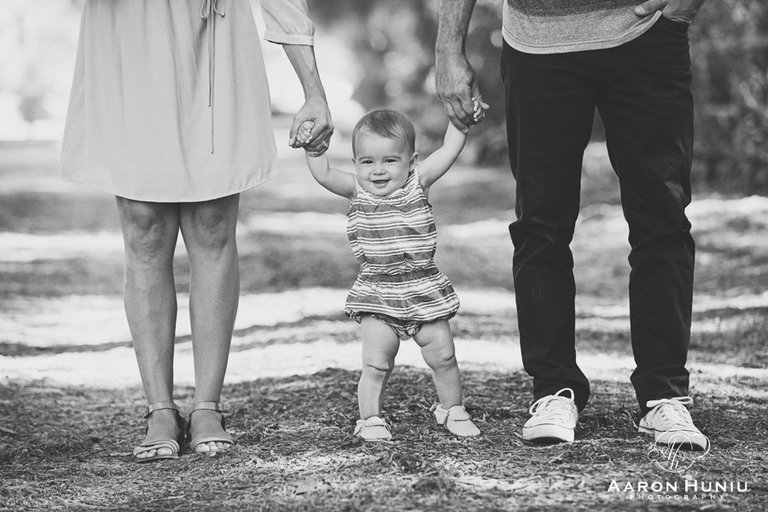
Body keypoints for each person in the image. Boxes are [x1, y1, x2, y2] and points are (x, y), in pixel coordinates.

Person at [61, 0, 333, 462]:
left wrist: (313, 88)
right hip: (129, 31)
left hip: (216, 36)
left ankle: (208, 405)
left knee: (211, 223)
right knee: (145, 225)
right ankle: (159, 409)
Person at [435, 0, 709, 449]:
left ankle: (664, 394)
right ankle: (554, 389)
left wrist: (683, 8)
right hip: (536, 45)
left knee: (662, 217)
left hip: (646, 35)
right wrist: (449, 49)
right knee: (540, 222)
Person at [296, 107, 486, 441]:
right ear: (356, 164)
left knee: (443, 355)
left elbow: (449, 150)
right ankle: (370, 418)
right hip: (377, 292)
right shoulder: (357, 190)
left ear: (411, 162)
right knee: (376, 363)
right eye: (367, 161)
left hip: (422, 288)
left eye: (390, 160)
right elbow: (324, 174)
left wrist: (460, 122)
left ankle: (452, 408)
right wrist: (314, 150)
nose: (378, 170)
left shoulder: (418, 183)